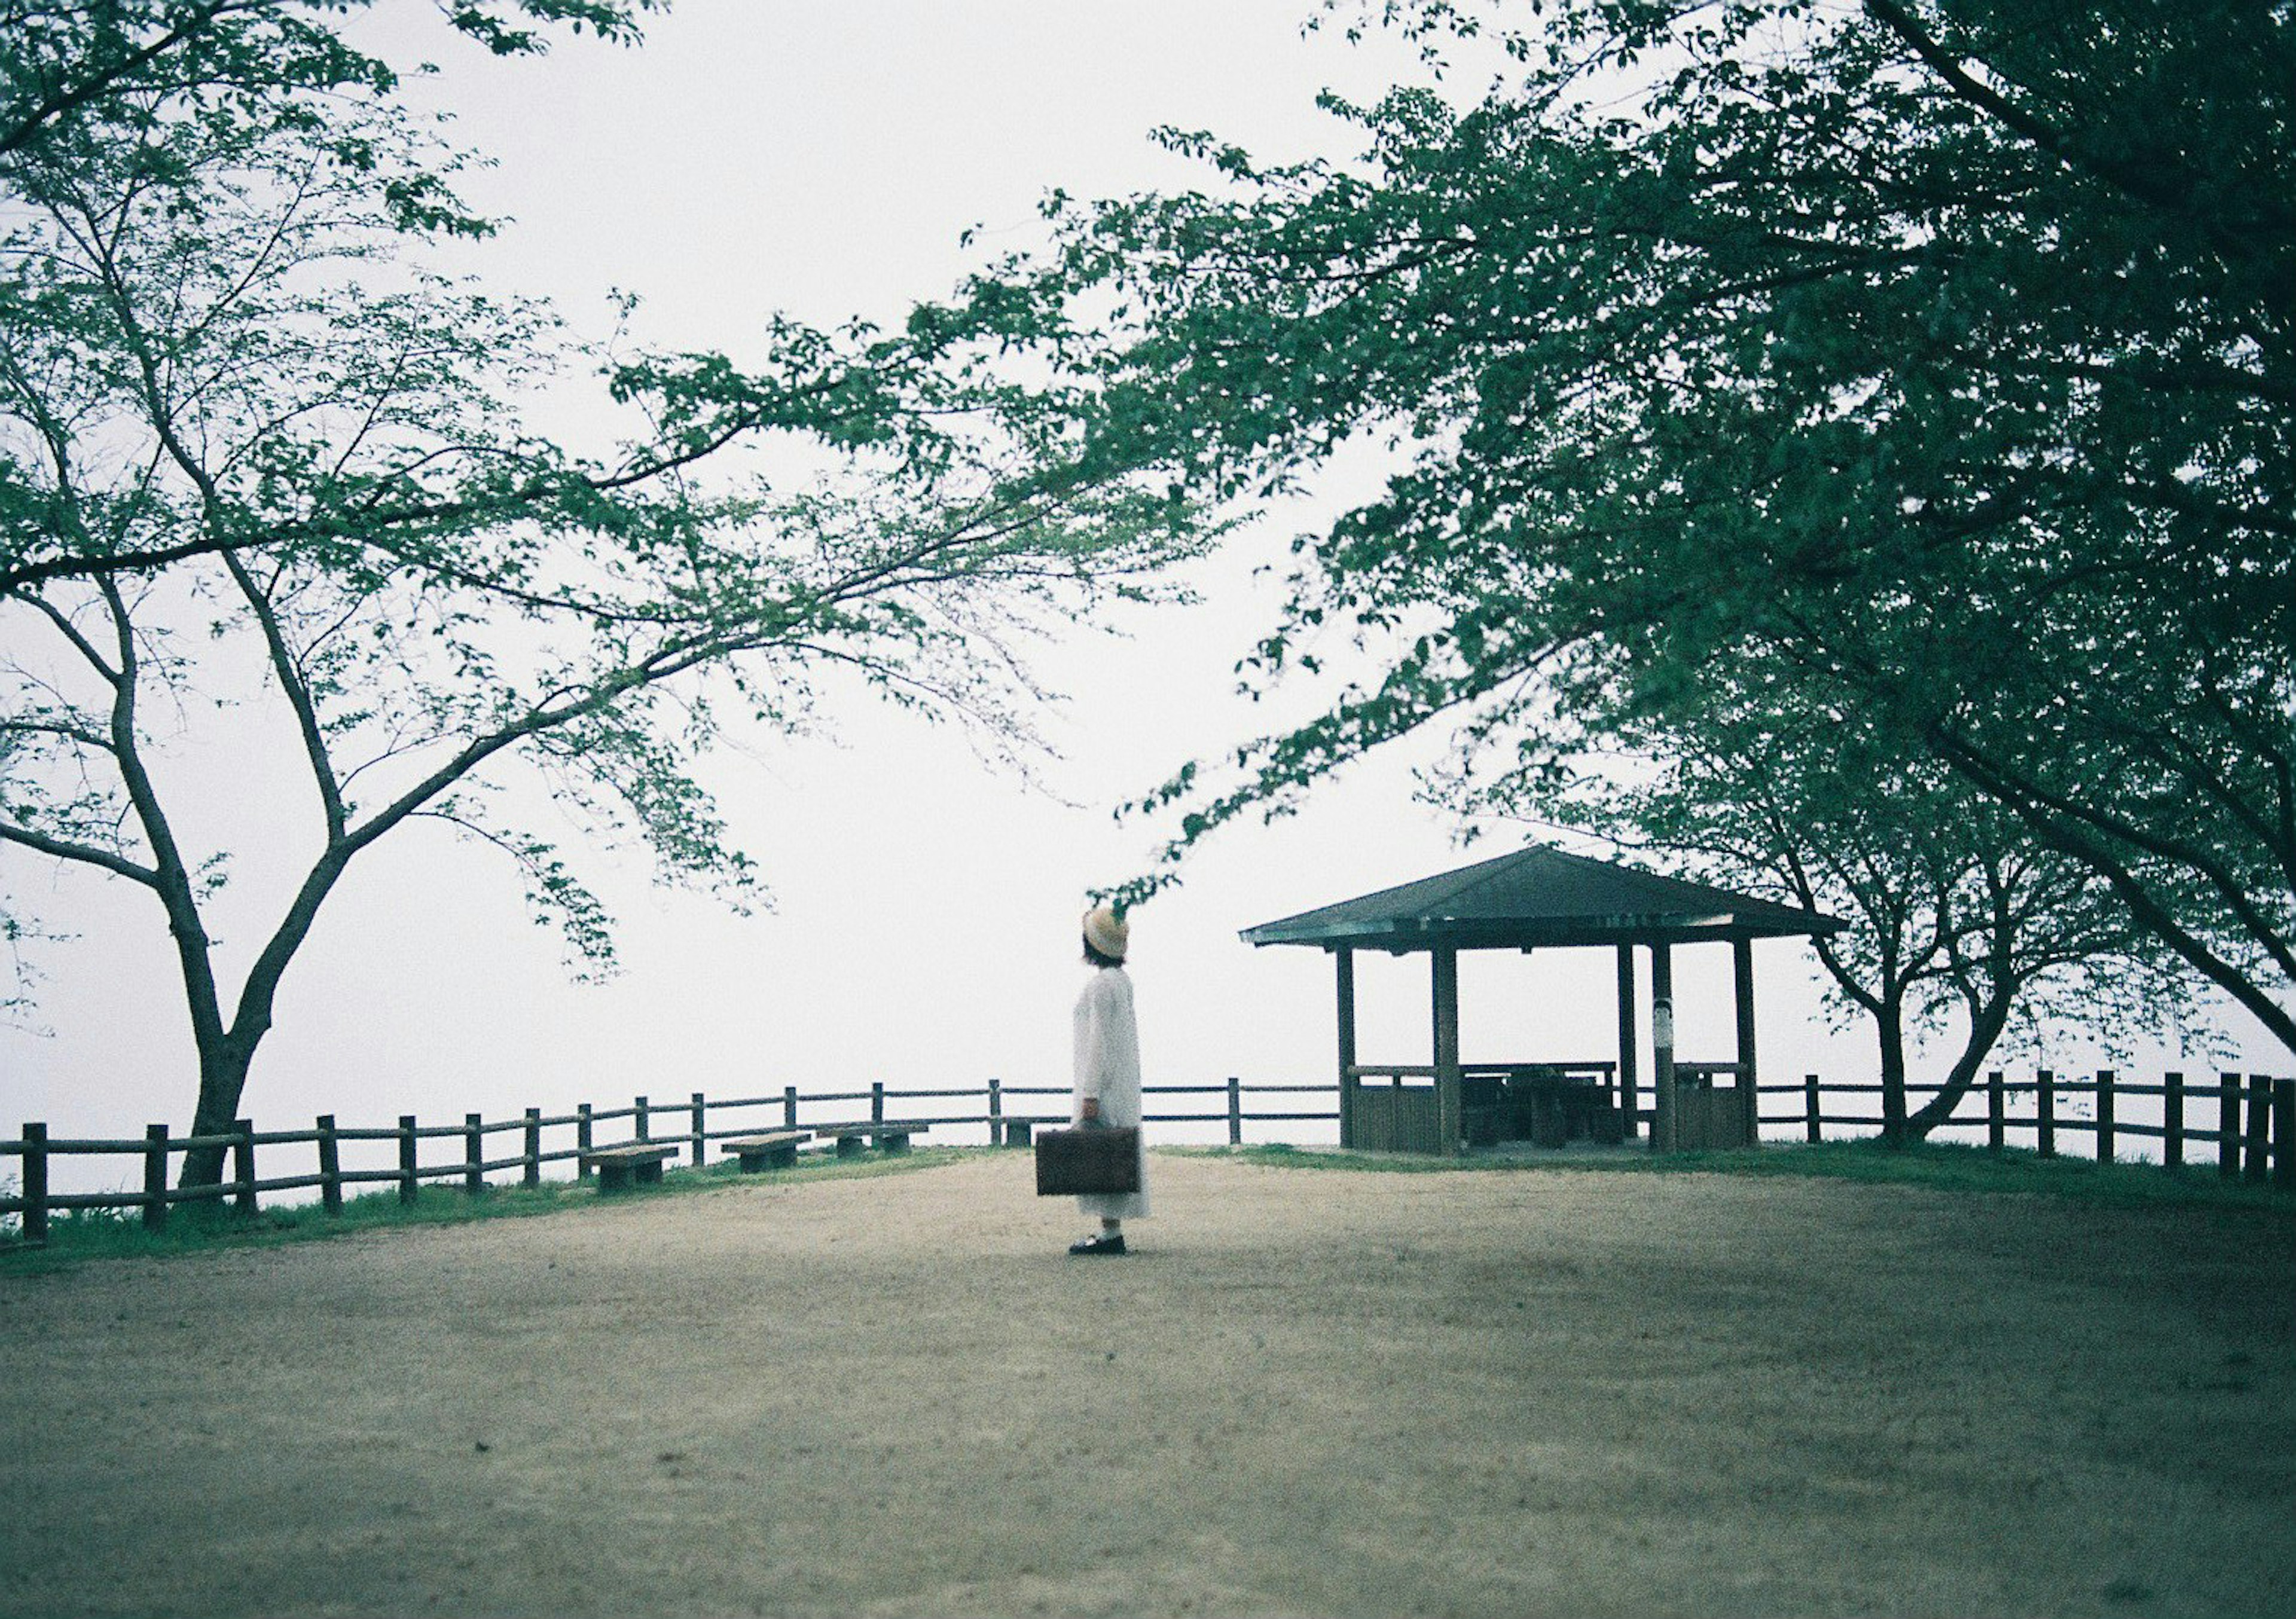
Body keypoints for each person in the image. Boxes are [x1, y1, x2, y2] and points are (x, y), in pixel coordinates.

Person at [1069, 903, 1147, 1255]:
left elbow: (1097, 1042)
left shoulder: (1101, 987)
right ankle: (1109, 1229)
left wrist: (1090, 1092)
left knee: (1099, 1154)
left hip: (1103, 1084)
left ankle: (1109, 1233)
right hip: (1120, 1082)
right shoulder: (1122, 982)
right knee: (1112, 1153)